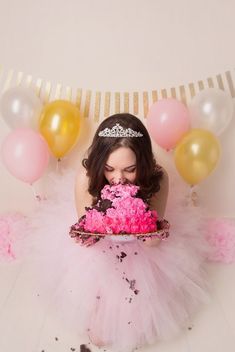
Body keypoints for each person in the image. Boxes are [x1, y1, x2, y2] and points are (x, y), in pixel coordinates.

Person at [70, 113, 210, 351]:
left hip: (143, 252)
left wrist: (140, 224)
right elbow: (86, 233)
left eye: (130, 169)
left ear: (142, 164)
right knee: (99, 337)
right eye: (109, 169)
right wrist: (101, 226)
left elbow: (154, 239)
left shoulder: (158, 177)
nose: (118, 178)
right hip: (101, 252)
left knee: (140, 323)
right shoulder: (86, 179)